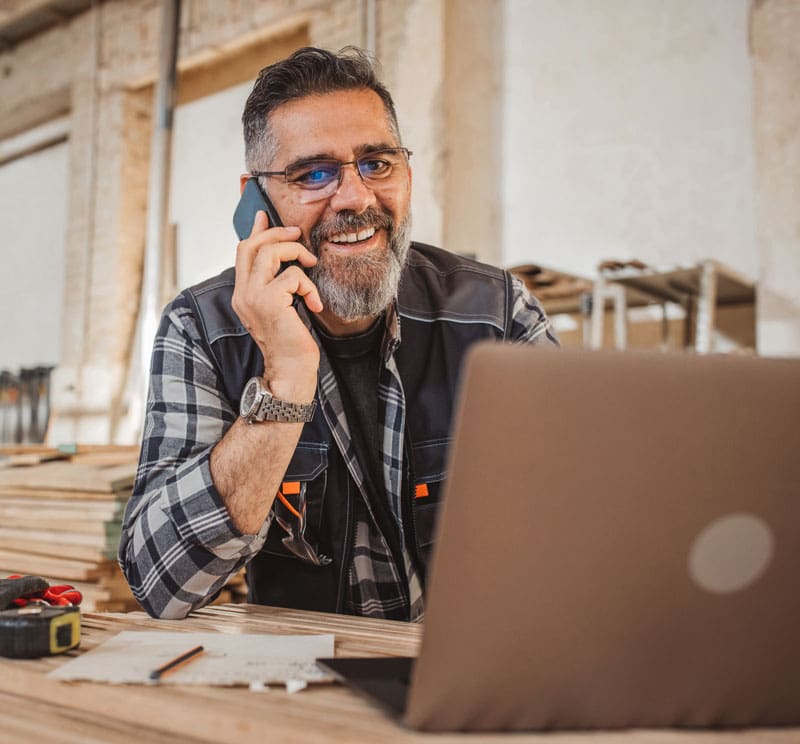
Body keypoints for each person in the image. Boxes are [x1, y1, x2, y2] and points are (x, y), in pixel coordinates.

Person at [119, 46, 557, 621]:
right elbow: (161, 581)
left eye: (377, 163)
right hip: (305, 694)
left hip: (472, 676)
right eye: (314, 173)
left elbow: (577, 525)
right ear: (256, 201)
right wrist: (285, 380)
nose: (356, 198)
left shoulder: (497, 314)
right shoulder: (201, 328)